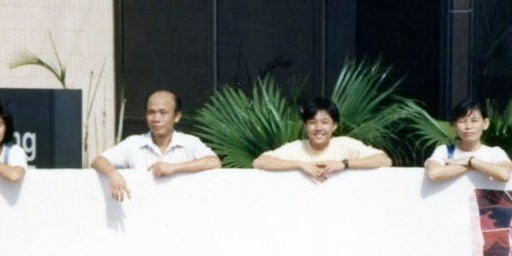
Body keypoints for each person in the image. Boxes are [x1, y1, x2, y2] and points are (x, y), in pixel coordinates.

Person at [91, 89, 220, 202]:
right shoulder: (134, 143)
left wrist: (173, 168)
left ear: (176, 116)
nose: (156, 118)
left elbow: (214, 162)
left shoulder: (189, 142)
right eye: (151, 112)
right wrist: (112, 174)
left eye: (163, 112)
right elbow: (98, 160)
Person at [252, 96, 391, 181]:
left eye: (325, 122)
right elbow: (259, 162)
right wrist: (300, 165)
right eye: (312, 122)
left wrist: (344, 164)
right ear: (305, 126)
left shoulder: (346, 144)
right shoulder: (296, 147)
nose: (318, 128)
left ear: (334, 126)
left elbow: (385, 160)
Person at [424, 97, 512, 183]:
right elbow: (433, 174)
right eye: (462, 121)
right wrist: (471, 165)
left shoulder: (495, 152)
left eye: (474, 121)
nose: (468, 126)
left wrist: (470, 160)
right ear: (454, 125)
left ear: (485, 123)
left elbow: (504, 175)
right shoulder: (444, 150)